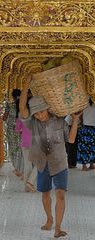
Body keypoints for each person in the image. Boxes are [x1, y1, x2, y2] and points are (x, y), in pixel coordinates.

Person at [19, 75, 82, 238]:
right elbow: (22, 109)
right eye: (36, 113)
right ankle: (49, 219)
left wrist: (75, 120)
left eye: (41, 111)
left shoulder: (59, 120)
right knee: (45, 193)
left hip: (60, 162)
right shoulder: (32, 123)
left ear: (47, 108)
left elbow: (71, 139)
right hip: (42, 163)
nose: (40, 115)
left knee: (60, 194)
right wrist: (27, 84)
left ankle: (58, 228)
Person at [3, 89, 24, 177]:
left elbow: (4, 117)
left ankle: (17, 168)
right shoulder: (23, 105)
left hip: (12, 130)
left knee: (13, 149)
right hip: (22, 130)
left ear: (12, 97)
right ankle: (22, 168)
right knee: (20, 149)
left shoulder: (10, 105)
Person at [15, 117, 37, 192]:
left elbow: (17, 130)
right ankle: (30, 182)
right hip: (36, 143)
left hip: (24, 142)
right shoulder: (37, 114)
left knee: (27, 165)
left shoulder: (21, 116)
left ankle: (27, 187)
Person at [77, 97, 95, 171]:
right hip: (92, 127)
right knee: (92, 147)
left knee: (84, 147)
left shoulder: (84, 102)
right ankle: (90, 164)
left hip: (85, 127)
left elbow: (80, 114)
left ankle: (85, 166)